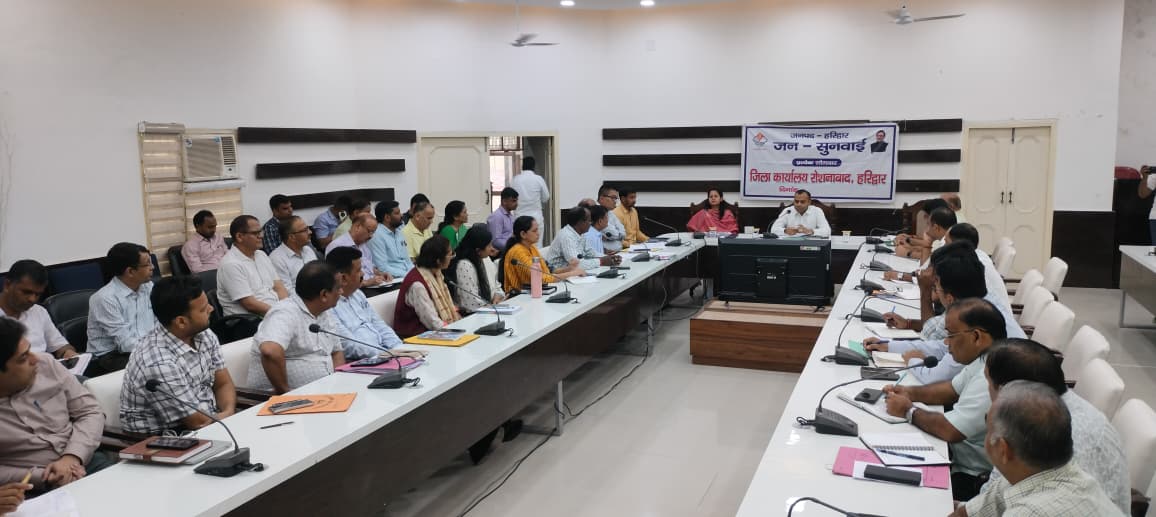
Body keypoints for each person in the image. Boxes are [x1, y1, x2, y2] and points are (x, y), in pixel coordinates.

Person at [965, 338, 1131, 515]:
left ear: (1012, 390)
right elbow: (991, 500)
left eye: (988, 383)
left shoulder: (1048, 433)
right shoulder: (1052, 414)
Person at [882, 298, 1004, 501]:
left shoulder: (992, 376)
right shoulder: (985, 359)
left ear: (976, 337)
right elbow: (949, 390)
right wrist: (908, 392)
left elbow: (950, 430)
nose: (947, 342)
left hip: (971, 477)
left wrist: (908, 410)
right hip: (954, 456)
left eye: (951, 335)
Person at [947, 381, 1124, 517]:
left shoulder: (1030, 512)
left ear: (1003, 449)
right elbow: (967, 513)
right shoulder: (1031, 472)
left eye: (988, 428)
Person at [867, 242, 1025, 384]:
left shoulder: (975, 319)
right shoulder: (979, 301)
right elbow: (941, 347)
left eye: (936, 286)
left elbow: (935, 377)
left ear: (949, 298)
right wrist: (889, 345)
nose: (935, 291)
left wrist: (912, 360)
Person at [119, 276, 236, 434]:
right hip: (163, 438)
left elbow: (223, 383)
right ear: (181, 322)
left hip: (213, 420)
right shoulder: (158, 362)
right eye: (203, 309)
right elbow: (197, 422)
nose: (211, 309)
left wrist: (228, 413)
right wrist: (226, 419)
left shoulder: (204, 334)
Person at [0, 318, 105, 491]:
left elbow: (90, 411)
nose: (35, 359)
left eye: (30, 350)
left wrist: (72, 457)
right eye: (23, 358)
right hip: (26, 488)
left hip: (84, 461)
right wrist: (43, 476)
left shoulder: (46, 365)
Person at [248, 261, 345, 394]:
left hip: (326, 393)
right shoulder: (285, 312)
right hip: (280, 399)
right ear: (324, 294)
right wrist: (285, 392)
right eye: (338, 288)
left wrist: (339, 385)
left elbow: (336, 352)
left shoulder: (324, 312)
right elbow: (270, 351)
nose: (341, 292)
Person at [324, 247, 406, 361]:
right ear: (343, 278)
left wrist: (399, 348)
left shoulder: (358, 294)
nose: (363, 273)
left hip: (386, 354)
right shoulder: (329, 306)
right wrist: (387, 354)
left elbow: (380, 325)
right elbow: (349, 345)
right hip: (363, 361)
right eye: (358, 270)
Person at [87, 242, 156, 375]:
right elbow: (125, 343)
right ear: (130, 271)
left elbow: (159, 321)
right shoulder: (105, 298)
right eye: (147, 264)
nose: (152, 267)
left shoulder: (148, 287)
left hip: (143, 347)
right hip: (109, 356)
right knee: (157, 366)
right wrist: (158, 348)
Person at [0, 260, 77, 358]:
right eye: (26, 292)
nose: (32, 299)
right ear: (7, 285)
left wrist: (68, 353)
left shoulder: (39, 311)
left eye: (38, 294)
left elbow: (60, 346)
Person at [217, 215, 288, 317]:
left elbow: (279, 286)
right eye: (256, 233)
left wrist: (286, 307)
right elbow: (250, 304)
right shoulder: (230, 264)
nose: (261, 236)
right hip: (248, 319)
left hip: (274, 311)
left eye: (261, 232)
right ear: (239, 237)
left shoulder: (261, 255)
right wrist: (281, 313)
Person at [393, 236, 461, 339]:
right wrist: (456, 332)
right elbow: (431, 322)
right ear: (438, 261)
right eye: (449, 254)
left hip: (432, 332)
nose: (452, 257)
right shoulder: (417, 285)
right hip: (414, 336)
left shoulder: (436, 274)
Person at [499, 216, 585, 293]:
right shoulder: (518, 252)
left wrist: (568, 269)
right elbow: (541, 279)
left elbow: (548, 271)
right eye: (534, 231)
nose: (538, 233)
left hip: (535, 292)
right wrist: (573, 273)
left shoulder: (532, 247)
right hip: (519, 296)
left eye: (538, 229)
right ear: (523, 234)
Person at [945, 223, 1012, 313]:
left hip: (993, 316)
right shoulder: (978, 255)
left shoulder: (970, 265)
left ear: (957, 245)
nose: (944, 248)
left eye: (946, 243)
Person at [883, 206, 956, 281]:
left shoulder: (947, 245)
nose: (926, 230)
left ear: (936, 227)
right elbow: (924, 271)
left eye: (928, 224)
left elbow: (924, 277)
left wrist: (899, 276)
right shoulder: (947, 240)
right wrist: (925, 244)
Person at [446, 226, 505, 313]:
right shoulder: (464, 265)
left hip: (490, 308)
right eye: (489, 245)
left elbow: (497, 285)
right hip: (473, 315)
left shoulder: (485, 259)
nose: (492, 249)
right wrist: (491, 307)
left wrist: (498, 295)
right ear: (478, 251)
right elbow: (471, 303)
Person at [545, 206, 621, 272]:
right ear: (580, 222)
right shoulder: (566, 236)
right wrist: (601, 261)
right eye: (589, 220)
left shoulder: (581, 234)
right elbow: (577, 265)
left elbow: (591, 253)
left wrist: (609, 258)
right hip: (557, 275)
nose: (591, 223)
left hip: (571, 272)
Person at [326, 213, 388, 287]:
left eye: (373, 232)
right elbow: (337, 280)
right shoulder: (337, 246)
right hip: (356, 289)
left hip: (374, 285)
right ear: (357, 227)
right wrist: (366, 282)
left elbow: (370, 267)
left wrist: (381, 274)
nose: (371, 236)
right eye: (369, 231)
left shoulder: (363, 245)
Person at [268, 215, 317, 294]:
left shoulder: (308, 250)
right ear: (291, 237)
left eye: (308, 228)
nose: (310, 232)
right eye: (305, 230)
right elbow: (287, 291)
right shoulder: (276, 259)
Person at [509, 156, 550, 246]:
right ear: (533, 167)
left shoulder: (515, 180)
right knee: (537, 246)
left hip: (519, 219)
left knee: (520, 246)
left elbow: (511, 197)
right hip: (536, 219)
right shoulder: (538, 179)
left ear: (522, 166)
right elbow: (546, 197)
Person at [368, 200, 414, 280]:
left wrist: (415, 273)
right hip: (393, 279)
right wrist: (408, 276)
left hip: (406, 276)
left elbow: (407, 261)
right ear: (387, 217)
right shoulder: (377, 235)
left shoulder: (399, 232)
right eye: (397, 213)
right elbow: (382, 267)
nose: (401, 215)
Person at [181, 210, 227, 274]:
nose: (214, 230)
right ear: (198, 226)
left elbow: (228, 254)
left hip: (229, 271)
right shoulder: (190, 246)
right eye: (210, 227)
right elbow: (198, 271)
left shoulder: (218, 237)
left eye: (215, 226)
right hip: (212, 276)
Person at [487, 188, 518, 252]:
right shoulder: (496, 216)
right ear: (504, 201)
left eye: (516, 200)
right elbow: (495, 241)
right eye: (513, 201)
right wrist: (513, 248)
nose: (516, 203)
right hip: (500, 253)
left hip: (510, 249)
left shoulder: (510, 216)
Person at [597, 184, 627, 252]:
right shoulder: (595, 213)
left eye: (616, 198)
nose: (615, 201)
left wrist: (609, 238)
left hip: (618, 252)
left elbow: (623, 233)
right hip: (604, 254)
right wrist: (617, 236)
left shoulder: (611, 213)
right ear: (602, 198)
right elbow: (613, 234)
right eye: (613, 197)